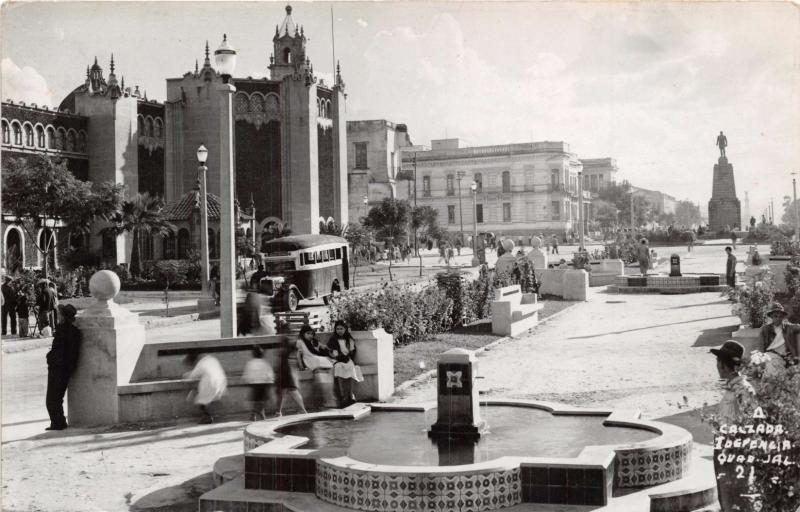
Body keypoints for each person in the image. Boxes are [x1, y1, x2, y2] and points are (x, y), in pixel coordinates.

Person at [709, 340, 755, 512]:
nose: (716, 366)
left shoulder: (743, 389)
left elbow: (751, 421)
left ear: (723, 365)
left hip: (734, 452)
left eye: (717, 362)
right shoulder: (732, 388)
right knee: (726, 497)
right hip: (724, 449)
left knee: (736, 498)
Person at [45, 304, 81, 430]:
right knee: (56, 397)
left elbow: (57, 351)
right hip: (65, 368)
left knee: (52, 398)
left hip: (58, 368)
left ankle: (58, 423)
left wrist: (50, 358)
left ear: (64, 317)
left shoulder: (62, 330)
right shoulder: (74, 331)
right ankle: (58, 422)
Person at [327, 320, 363, 407]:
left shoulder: (349, 339)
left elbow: (352, 351)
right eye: (337, 329)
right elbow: (332, 352)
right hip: (337, 359)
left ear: (345, 329)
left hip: (347, 359)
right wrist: (338, 357)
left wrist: (348, 357)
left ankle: (351, 394)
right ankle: (343, 396)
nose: (339, 330)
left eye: (341, 329)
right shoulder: (333, 339)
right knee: (338, 367)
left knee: (351, 367)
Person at [184, 352, 227, 424]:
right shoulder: (212, 359)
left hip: (210, 383)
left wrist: (185, 376)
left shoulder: (201, 363)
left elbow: (193, 376)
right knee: (211, 398)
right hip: (221, 381)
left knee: (200, 401)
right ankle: (215, 414)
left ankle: (207, 417)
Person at [758, 303, 800, 378]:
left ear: (783, 317)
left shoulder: (788, 327)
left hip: (786, 356)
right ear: (771, 317)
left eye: (780, 316)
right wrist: (762, 359)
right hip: (770, 355)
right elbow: (761, 346)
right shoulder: (765, 329)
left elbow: (798, 327)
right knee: (772, 368)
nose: (778, 318)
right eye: (775, 316)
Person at [275, 331, 308, 416]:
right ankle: (302, 410)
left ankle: (279, 412)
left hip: (285, 372)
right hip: (289, 372)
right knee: (292, 391)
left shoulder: (285, 349)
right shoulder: (290, 348)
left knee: (284, 392)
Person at [242, 346, 275, 421]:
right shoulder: (265, 363)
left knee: (255, 401)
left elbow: (247, 374)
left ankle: (254, 414)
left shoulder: (250, 363)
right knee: (261, 401)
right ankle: (259, 414)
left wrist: (246, 382)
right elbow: (269, 374)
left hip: (254, 385)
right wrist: (270, 383)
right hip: (263, 385)